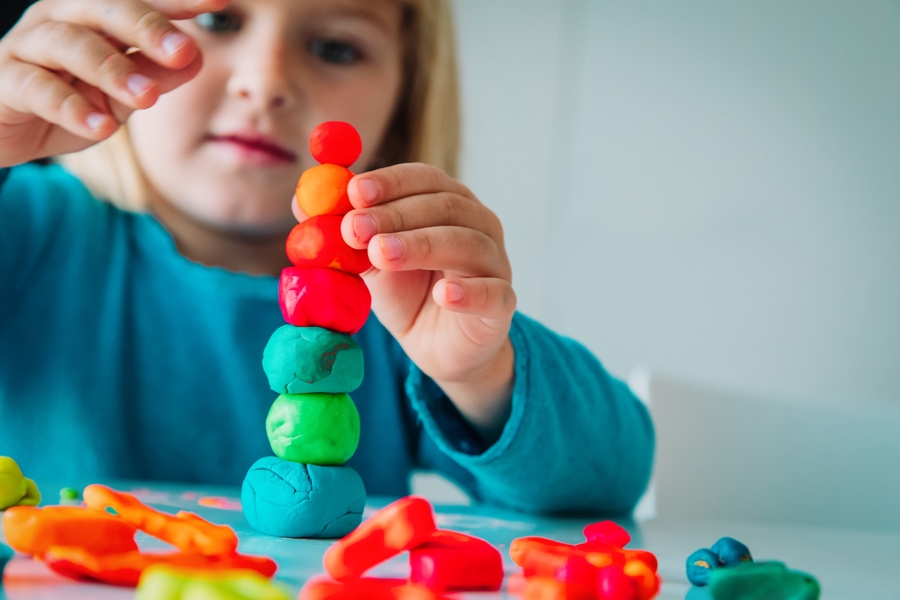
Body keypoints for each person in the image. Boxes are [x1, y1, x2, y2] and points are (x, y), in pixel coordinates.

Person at [0, 0, 653, 514]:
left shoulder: (400, 297)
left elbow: (608, 479)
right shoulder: (32, 231)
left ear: (403, 103)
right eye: (217, 20)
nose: (267, 81)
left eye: (335, 47)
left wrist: (482, 372)